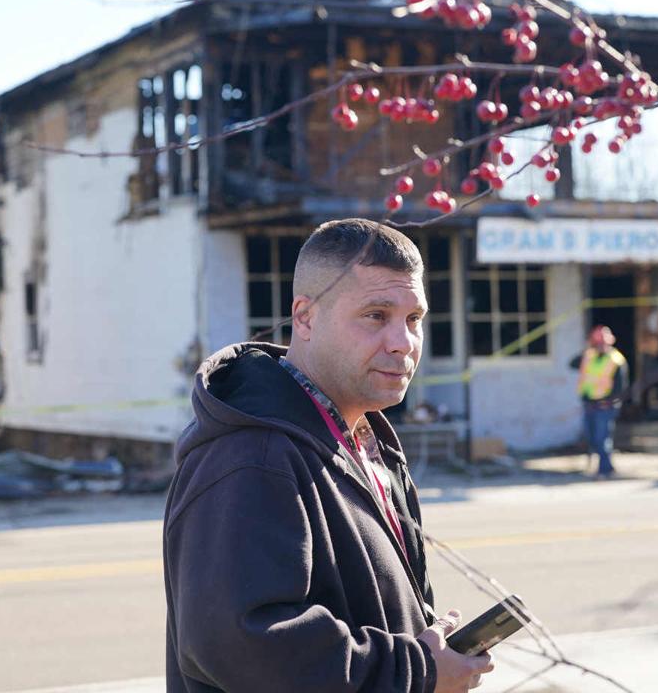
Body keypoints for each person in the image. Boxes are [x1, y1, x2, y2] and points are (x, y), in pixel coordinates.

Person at [163, 218, 494, 692]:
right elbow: (245, 646)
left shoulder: (362, 444)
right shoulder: (252, 454)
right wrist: (416, 670)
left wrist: (433, 649)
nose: (403, 342)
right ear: (305, 317)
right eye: (376, 315)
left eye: (414, 319)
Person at [574, 325, 628, 479]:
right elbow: (572, 363)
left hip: (606, 406)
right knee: (591, 437)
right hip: (590, 404)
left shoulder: (616, 360)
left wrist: (612, 402)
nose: (600, 346)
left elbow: (621, 386)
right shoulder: (588, 356)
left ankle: (605, 470)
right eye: (596, 343)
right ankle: (605, 466)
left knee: (602, 437)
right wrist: (586, 349)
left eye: (602, 343)